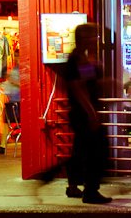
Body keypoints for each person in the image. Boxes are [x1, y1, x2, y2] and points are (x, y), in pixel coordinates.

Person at [43, 23, 111, 204]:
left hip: (85, 111)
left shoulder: (84, 58)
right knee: (96, 151)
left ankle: (67, 180)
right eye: (92, 37)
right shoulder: (75, 60)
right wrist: (91, 113)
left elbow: (89, 84)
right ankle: (90, 190)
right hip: (82, 113)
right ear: (83, 39)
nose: (95, 40)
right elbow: (77, 88)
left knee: (83, 151)